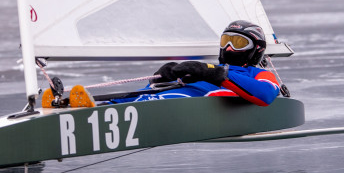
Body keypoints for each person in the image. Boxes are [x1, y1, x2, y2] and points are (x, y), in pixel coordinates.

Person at [60, 20, 282, 108]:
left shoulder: (258, 74)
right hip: (174, 96)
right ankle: (70, 104)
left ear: (256, 49)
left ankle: (99, 109)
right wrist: (163, 75)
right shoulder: (208, 69)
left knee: (161, 100)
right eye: (226, 41)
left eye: (239, 43)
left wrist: (217, 74)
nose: (230, 48)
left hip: (191, 102)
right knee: (144, 95)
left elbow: (266, 94)